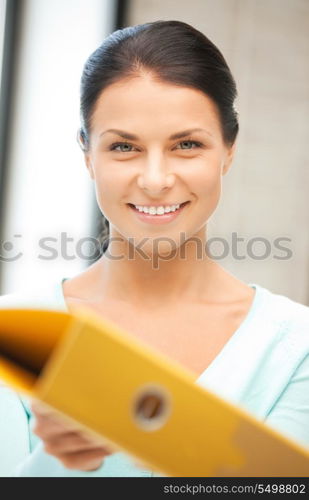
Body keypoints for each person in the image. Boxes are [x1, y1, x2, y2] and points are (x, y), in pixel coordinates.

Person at [0, 19, 308, 477]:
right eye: (124, 147)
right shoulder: (12, 336)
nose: (156, 180)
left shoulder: (296, 346)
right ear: (87, 155)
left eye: (187, 144)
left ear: (228, 149)